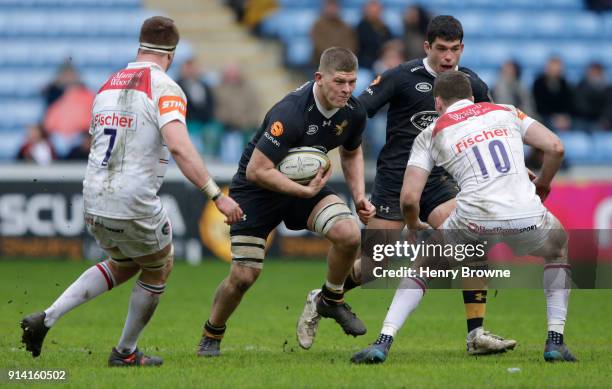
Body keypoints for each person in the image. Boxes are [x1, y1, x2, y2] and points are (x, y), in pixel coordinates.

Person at [20, 16, 243, 367]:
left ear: (139, 48)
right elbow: (180, 147)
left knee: (124, 264)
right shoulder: (167, 87)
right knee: (160, 266)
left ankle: (48, 316)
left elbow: (95, 141)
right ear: (170, 54)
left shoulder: (107, 85)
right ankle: (125, 352)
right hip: (132, 198)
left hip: (93, 195)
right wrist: (217, 195)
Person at [297, 15, 515, 355]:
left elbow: (496, 125)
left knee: (471, 242)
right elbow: (357, 110)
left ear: (462, 49)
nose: (448, 58)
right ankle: (324, 296)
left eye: (455, 50)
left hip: (440, 182)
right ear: (427, 46)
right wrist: (321, 142)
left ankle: (476, 335)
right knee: (374, 266)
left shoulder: (471, 84)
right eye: (441, 49)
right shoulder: (401, 77)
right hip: (397, 181)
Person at [351, 70, 575, 363]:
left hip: (472, 218)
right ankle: (555, 341)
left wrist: (413, 225)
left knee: (423, 266)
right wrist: (544, 182)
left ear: (438, 104)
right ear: (471, 97)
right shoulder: (506, 111)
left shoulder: (430, 133)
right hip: (526, 213)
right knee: (558, 249)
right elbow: (555, 147)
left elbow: (408, 197)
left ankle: (383, 342)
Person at [196, 47, 376, 357]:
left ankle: (330, 300)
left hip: (303, 186)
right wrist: (303, 192)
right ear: (319, 78)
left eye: (352, 82)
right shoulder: (290, 112)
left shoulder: (353, 112)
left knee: (349, 235)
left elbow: (351, 151)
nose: (347, 90)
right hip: (257, 192)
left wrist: (358, 194)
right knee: (243, 276)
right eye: (339, 82)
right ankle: (212, 333)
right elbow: (257, 170)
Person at [310, 0, 357, 68]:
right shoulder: (318, 25)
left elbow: (351, 44)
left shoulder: (345, 26)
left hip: (343, 63)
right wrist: (333, 58)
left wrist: (343, 57)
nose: (332, 9)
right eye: (330, 6)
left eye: (334, 7)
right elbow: (319, 45)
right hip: (321, 64)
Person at [356, 0, 393, 70]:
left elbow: (390, 41)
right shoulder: (362, 26)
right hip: (367, 61)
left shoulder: (383, 27)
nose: (375, 13)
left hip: (383, 59)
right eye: (372, 10)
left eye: (377, 10)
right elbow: (367, 47)